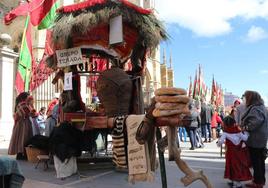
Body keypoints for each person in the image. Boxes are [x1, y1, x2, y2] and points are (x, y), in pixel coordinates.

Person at [241, 91, 268, 188]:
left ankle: (258, 182)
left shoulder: (256, 109)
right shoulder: (261, 107)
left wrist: (246, 128)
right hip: (260, 139)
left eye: (246, 97)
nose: (244, 98)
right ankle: (259, 181)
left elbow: (255, 122)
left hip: (256, 139)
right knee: (260, 161)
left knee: (257, 161)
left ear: (251, 98)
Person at [217, 115, 252, 188]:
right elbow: (245, 138)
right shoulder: (238, 132)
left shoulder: (225, 133)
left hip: (230, 154)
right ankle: (238, 182)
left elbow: (220, 142)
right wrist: (246, 133)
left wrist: (219, 143)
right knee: (238, 166)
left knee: (231, 167)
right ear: (234, 123)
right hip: (239, 153)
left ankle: (234, 182)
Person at [8, 93, 34, 160]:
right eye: (28, 96)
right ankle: (22, 155)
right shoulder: (22, 104)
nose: (29, 97)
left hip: (22, 124)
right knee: (23, 139)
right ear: (25, 97)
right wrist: (30, 108)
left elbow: (31, 114)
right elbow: (25, 114)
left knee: (21, 139)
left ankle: (22, 154)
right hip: (23, 124)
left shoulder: (24, 104)